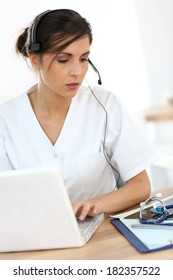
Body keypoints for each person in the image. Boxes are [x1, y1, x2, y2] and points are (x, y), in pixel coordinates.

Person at [0, 9, 158, 221]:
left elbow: (141, 186)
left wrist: (96, 204)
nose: (77, 71)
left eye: (83, 59)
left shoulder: (105, 105)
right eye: (64, 60)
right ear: (34, 59)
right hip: (37, 238)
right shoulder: (6, 120)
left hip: (103, 233)